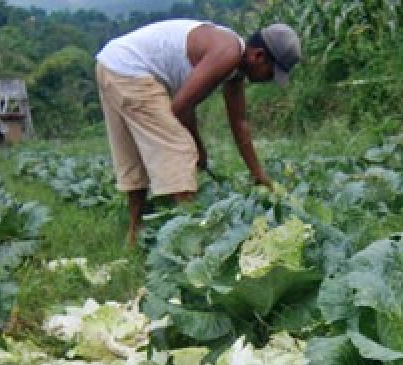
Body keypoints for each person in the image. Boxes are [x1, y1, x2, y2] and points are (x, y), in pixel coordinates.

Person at [95, 19, 302, 246]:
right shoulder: (227, 54)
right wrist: (198, 147)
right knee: (181, 151)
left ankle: (134, 237)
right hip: (131, 71)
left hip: (111, 63)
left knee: (133, 157)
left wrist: (259, 175)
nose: (270, 79)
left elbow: (240, 123)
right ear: (259, 56)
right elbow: (181, 107)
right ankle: (189, 244)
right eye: (271, 72)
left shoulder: (234, 67)